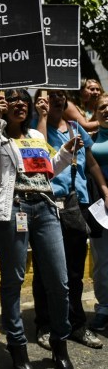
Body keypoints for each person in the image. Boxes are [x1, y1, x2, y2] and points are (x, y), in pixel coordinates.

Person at [0, 88, 81, 369]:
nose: (20, 104)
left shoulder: (36, 136)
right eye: (12, 100)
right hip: (14, 211)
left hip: (46, 209)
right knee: (13, 282)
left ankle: (60, 345)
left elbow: (47, 170)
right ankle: (17, 347)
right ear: (2, 106)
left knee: (60, 283)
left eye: (24, 100)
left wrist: (64, 152)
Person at [31, 90, 107, 351]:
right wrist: (41, 117)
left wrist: (104, 189)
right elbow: (38, 152)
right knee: (45, 270)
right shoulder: (35, 126)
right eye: (52, 96)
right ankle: (45, 325)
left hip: (77, 204)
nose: (58, 100)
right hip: (47, 203)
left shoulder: (75, 127)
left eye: (62, 95)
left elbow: (92, 162)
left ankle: (76, 325)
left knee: (75, 271)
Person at [88, 93, 108, 332]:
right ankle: (104, 308)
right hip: (101, 205)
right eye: (102, 107)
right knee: (102, 260)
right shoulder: (91, 140)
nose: (106, 110)